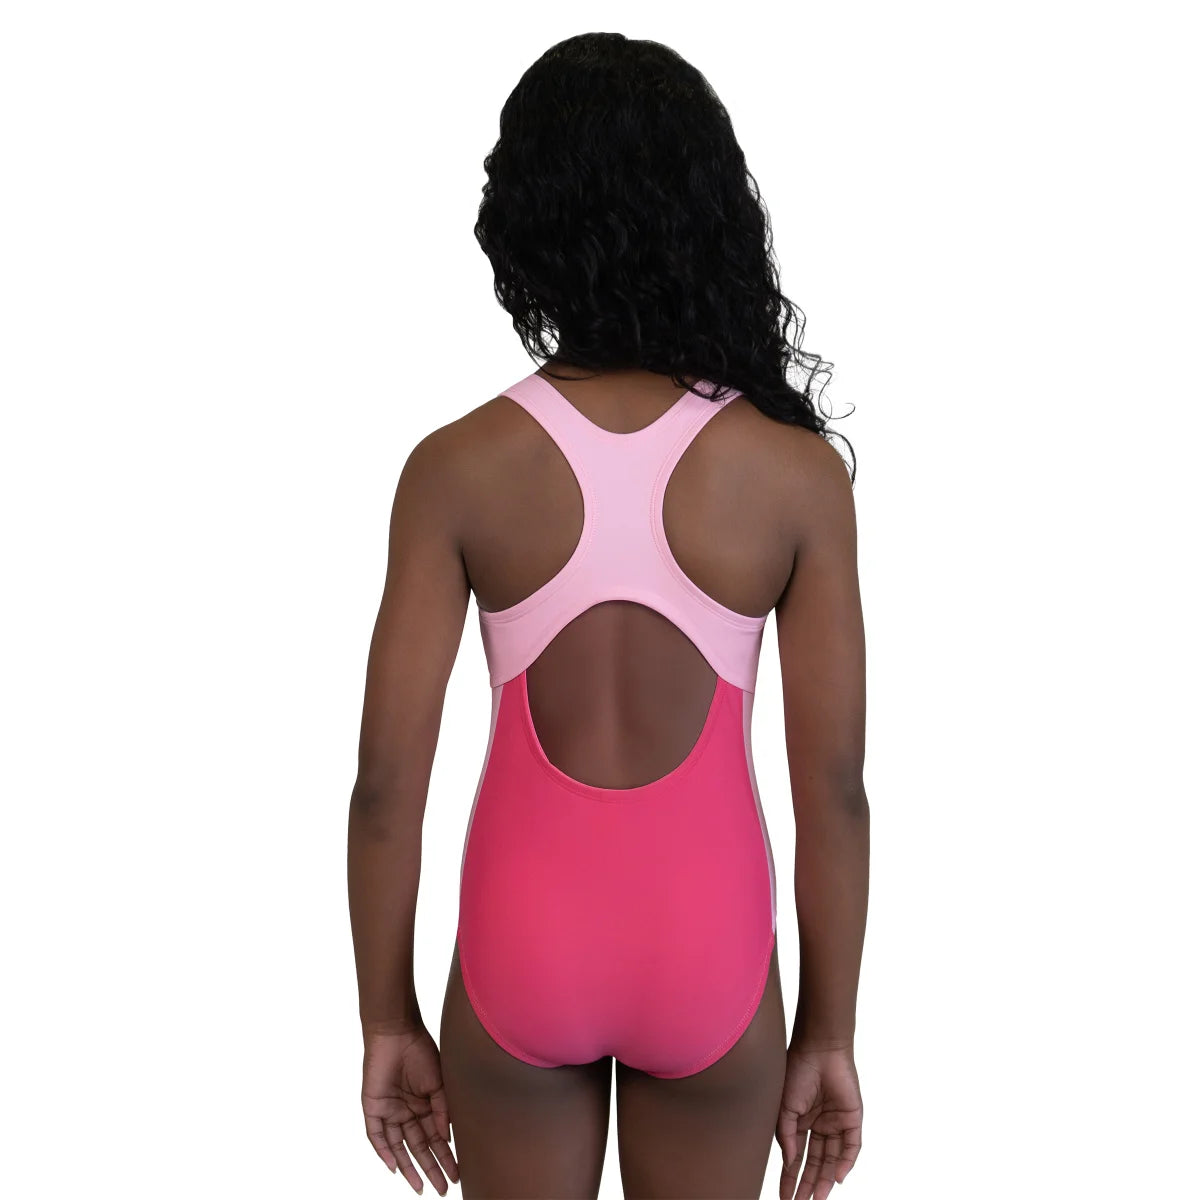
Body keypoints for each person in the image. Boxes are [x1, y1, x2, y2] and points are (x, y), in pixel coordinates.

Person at [347, 32, 868, 1200]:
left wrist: (386, 1018)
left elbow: (385, 785)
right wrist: (828, 1033)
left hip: (521, 937)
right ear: (710, 213)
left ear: (522, 222)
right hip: (708, 944)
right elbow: (835, 790)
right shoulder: (793, 476)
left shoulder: (456, 468)